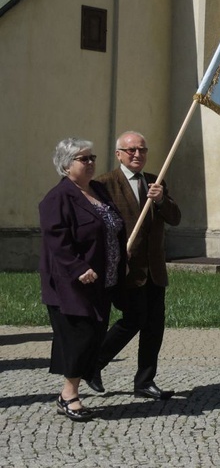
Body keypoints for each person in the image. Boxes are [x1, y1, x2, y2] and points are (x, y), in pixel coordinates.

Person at [87, 130, 181, 400]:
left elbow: (175, 217)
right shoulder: (105, 184)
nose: (137, 154)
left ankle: (145, 381)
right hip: (125, 268)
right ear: (119, 154)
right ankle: (93, 364)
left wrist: (162, 200)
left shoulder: (155, 182)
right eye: (131, 150)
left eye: (142, 150)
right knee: (133, 319)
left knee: (154, 326)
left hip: (154, 269)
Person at [39, 137, 126, 421]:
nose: (90, 163)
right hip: (72, 283)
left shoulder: (98, 190)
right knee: (80, 336)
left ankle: (72, 390)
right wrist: (77, 268)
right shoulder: (58, 197)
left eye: (92, 158)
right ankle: (69, 395)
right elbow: (57, 241)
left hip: (103, 278)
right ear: (66, 165)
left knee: (95, 334)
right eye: (83, 159)